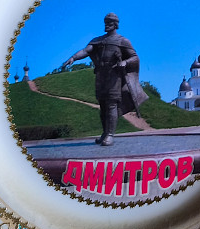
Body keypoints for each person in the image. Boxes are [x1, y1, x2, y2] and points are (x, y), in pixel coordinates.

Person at [60, 12, 148, 146]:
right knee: (102, 106)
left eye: (109, 22)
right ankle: (105, 132)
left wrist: (125, 62)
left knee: (111, 104)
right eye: (106, 22)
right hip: (101, 76)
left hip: (114, 76)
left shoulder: (122, 41)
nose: (107, 25)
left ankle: (110, 135)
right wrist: (73, 58)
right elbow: (86, 51)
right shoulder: (98, 40)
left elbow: (135, 57)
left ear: (115, 24)